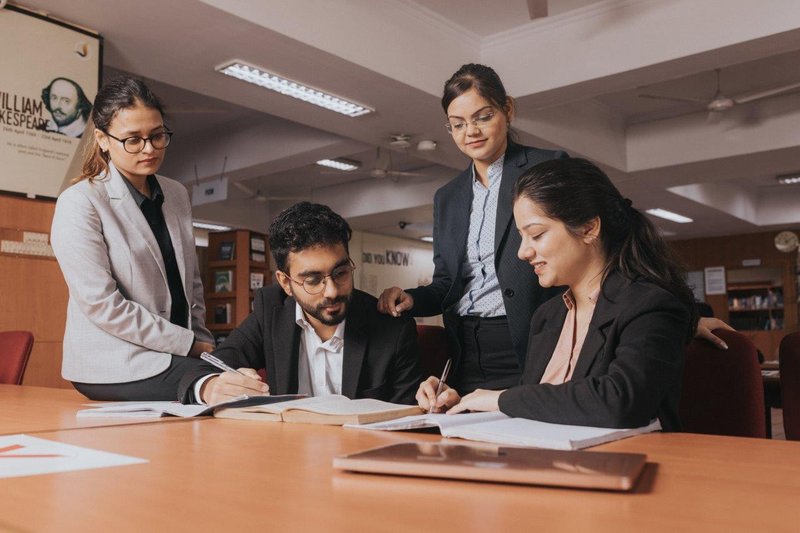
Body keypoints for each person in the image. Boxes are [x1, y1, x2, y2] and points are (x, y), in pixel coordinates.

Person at [378, 63, 730, 395]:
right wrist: (412, 298)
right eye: (457, 123)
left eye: (483, 117)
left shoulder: (549, 167)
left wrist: (676, 319)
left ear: (508, 110)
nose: (470, 131)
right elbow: (447, 283)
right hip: (468, 345)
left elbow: (616, 240)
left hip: (539, 336)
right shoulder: (448, 197)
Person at [418, 158, 698, 431]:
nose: (522, 252)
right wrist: (465, 404)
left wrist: (500, 399)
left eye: (536, 235)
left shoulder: (648, 304)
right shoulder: (547, 316)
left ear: (589, 228)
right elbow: (541, 401)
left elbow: (621, 401)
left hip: (623, 466)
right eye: (521, 237)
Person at [51, 76, 214, 400]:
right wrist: (188, 345)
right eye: (133, 140)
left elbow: (191, 284)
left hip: (180, 352)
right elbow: (103, 305)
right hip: (112, 359)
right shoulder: (80, 202)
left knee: (239, 375)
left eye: (157, 136)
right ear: (102, 138)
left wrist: (202, 341)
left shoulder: (176, 194)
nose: (149, 149)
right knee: (216, 387)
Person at [178, 202, 423, 406]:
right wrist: (209, 387)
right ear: (285, 282)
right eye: (313, 280)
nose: (332, 291)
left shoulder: (392, 330)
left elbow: (407, 423)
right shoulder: (271, 312)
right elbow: (200, 372)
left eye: (341, 273)